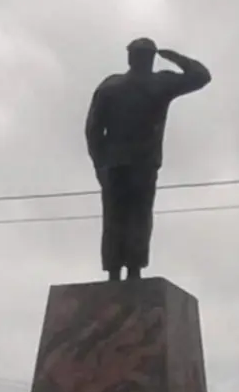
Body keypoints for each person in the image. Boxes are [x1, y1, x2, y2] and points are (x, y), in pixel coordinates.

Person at [85, 37, 212, 281]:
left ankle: (114, 271)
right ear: (151, 58)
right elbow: (201, 75)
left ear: (129, 57)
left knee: (114, 218)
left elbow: (93, 130)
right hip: (142, 163)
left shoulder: (110, 86)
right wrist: (174, 57)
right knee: (139, 217)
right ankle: (134, 270)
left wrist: (100, 163)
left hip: (115, 164)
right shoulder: (159, 83)